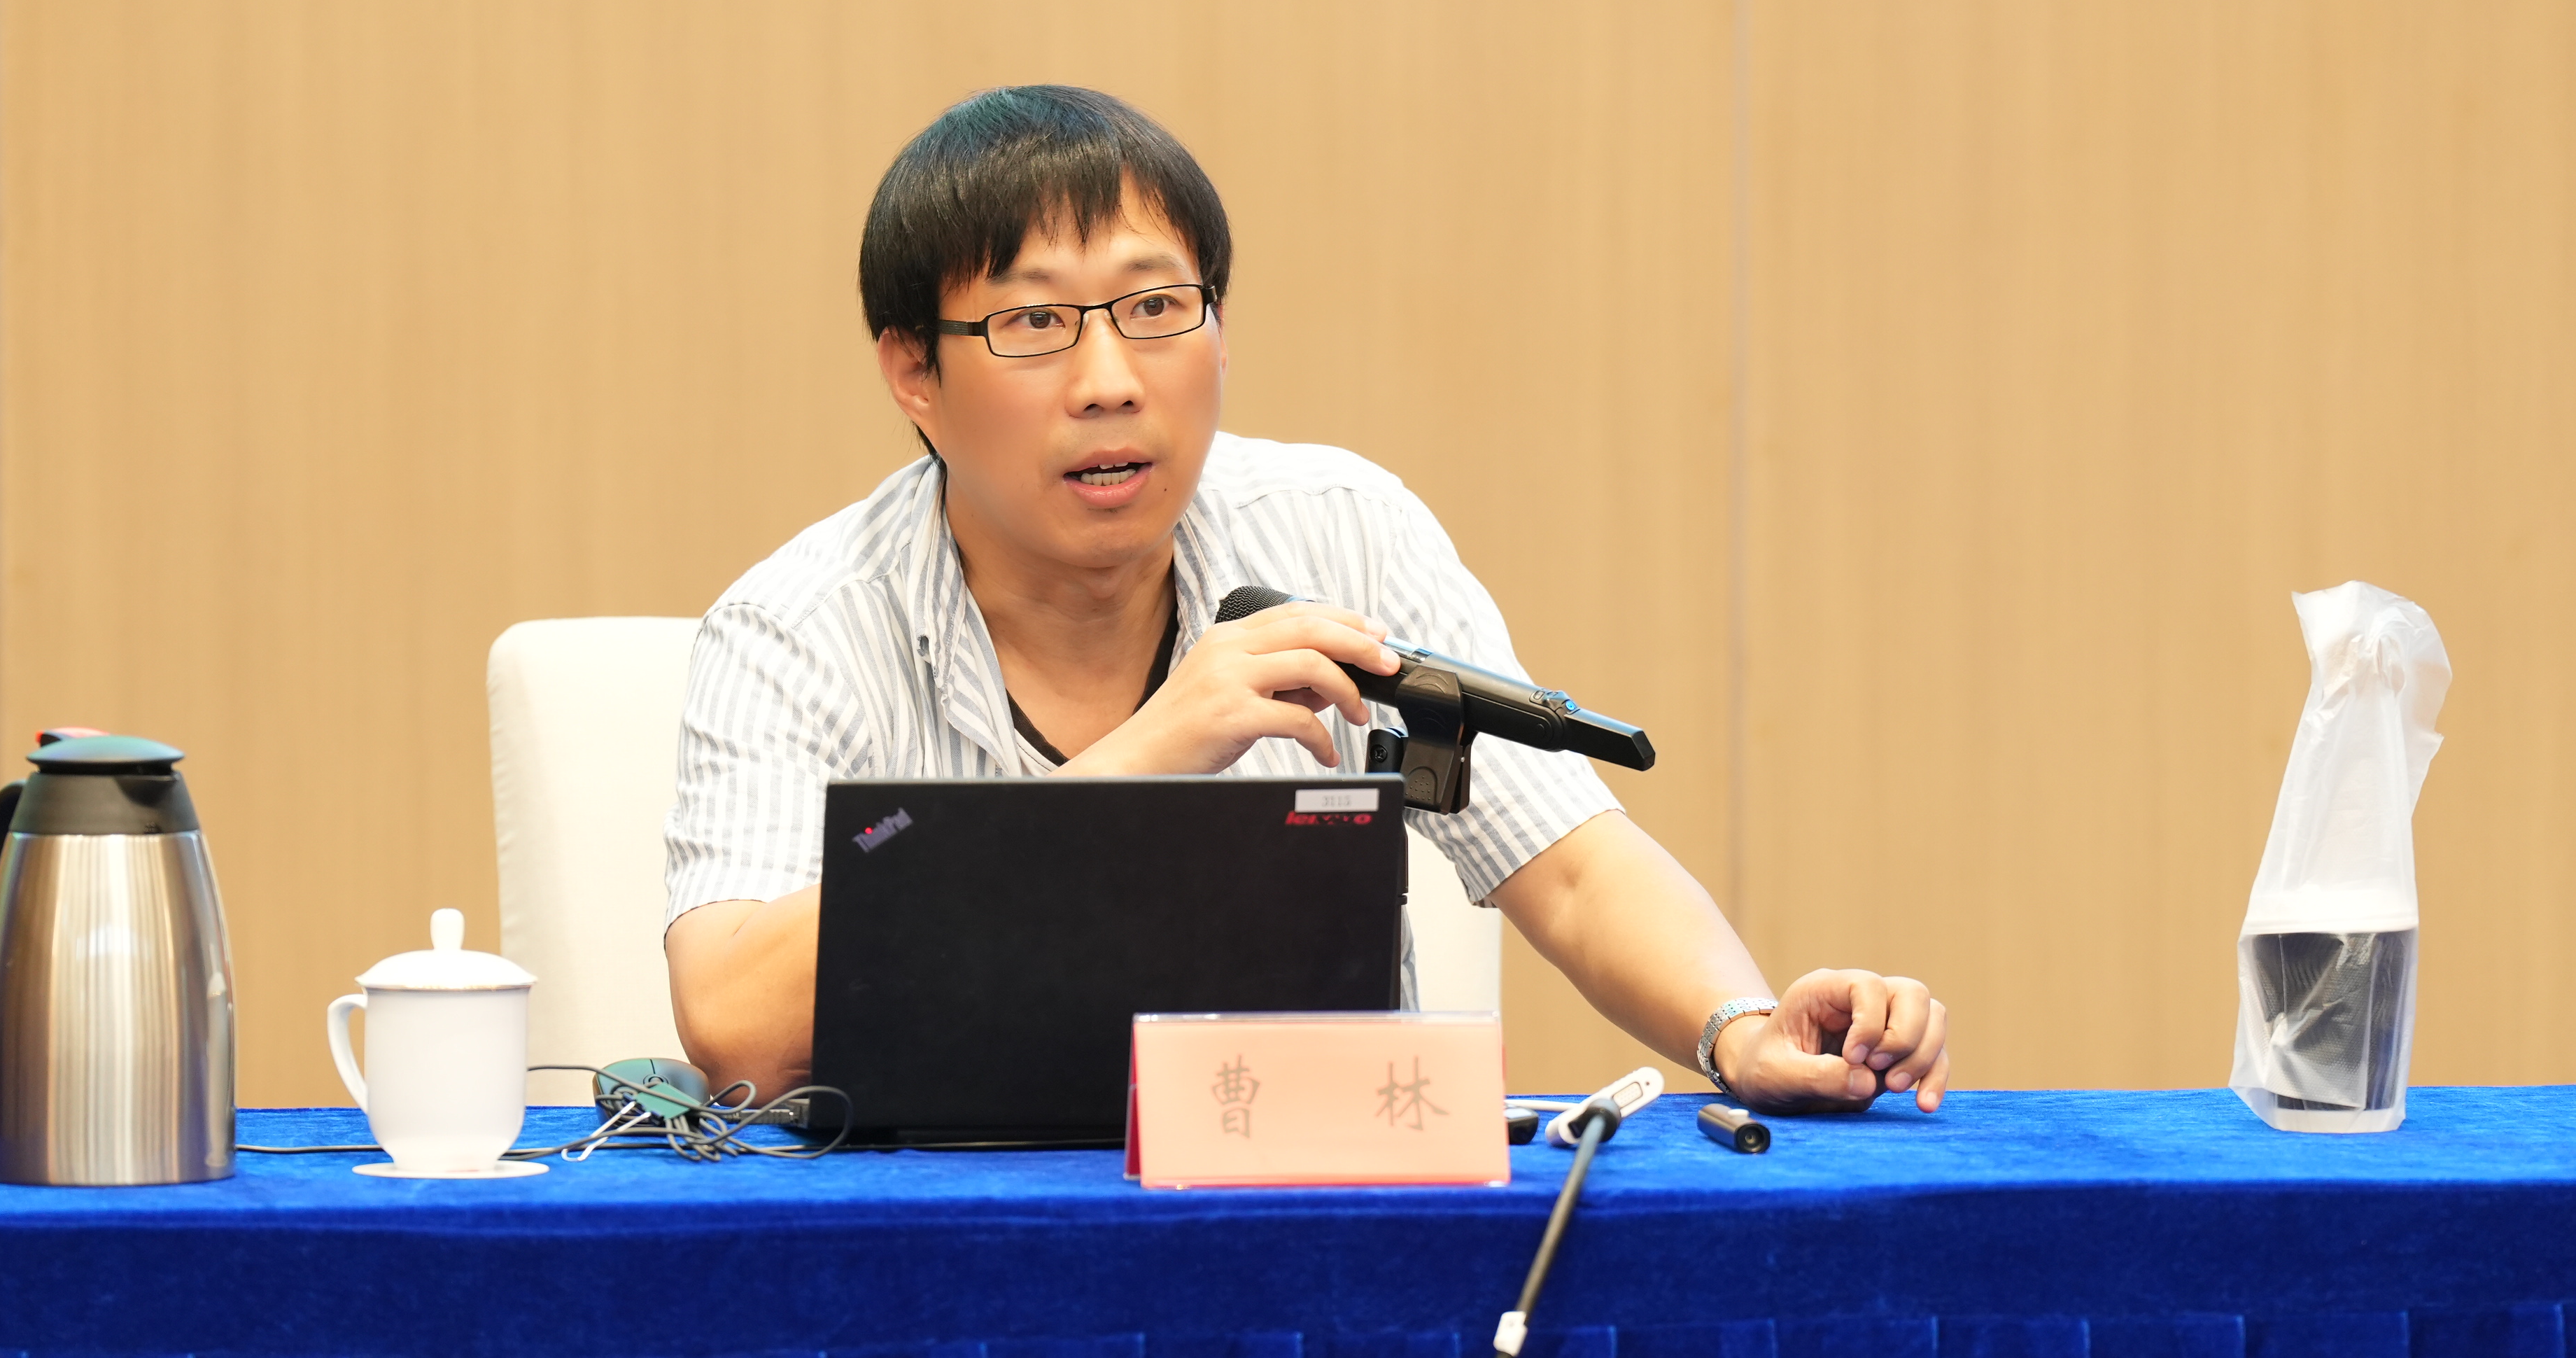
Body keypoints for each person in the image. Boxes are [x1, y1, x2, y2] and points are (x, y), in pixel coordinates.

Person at [663, 86, 1950, 1114]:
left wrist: (1741, 1029)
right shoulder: (799, 627)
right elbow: (736, 1030)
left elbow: (1568, 865)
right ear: (914, 373)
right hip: (937, 1234)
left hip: (1312, 1205)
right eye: (1036, 325)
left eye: (1157, 307)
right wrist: (1146, 757)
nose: (1110, 380)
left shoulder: (1343, 531)